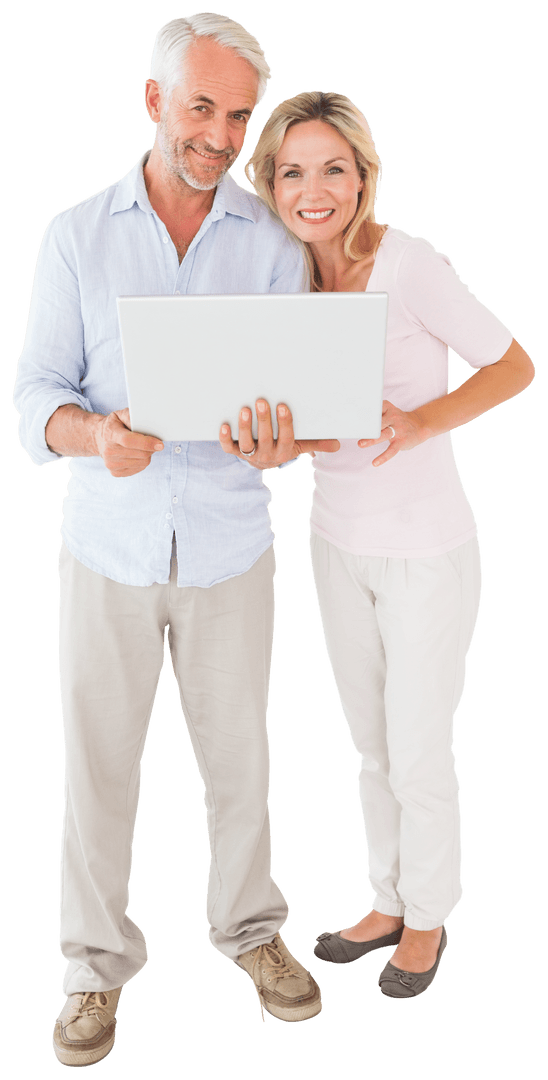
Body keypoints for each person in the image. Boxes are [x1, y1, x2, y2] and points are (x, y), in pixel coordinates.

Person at [12, 19, 337, 1067]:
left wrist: (281, 442)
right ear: (153, 102)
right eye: (201, 107)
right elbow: (32, 399)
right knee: (98, 769)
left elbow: (296, 417)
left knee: (239, 760)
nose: (221, 134)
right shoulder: (76, 235)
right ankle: (92, 971)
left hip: (230, 546)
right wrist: (95, 434)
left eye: (239, 114)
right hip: (106, 548)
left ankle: (251, 932)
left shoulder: (274, 239)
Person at [221, 90, 535, 1000]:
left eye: (333, 168)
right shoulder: (283, 280)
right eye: (292, 171)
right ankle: (389, 897)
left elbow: (513, 364)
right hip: (335, 540)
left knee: (420, 744)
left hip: (425, 547)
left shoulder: (412, 264)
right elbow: (299, 417)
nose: (313, 189)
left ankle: (431, 916)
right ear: (270, 183)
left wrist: (420, 420)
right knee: (370, 743)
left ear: (363, 176)